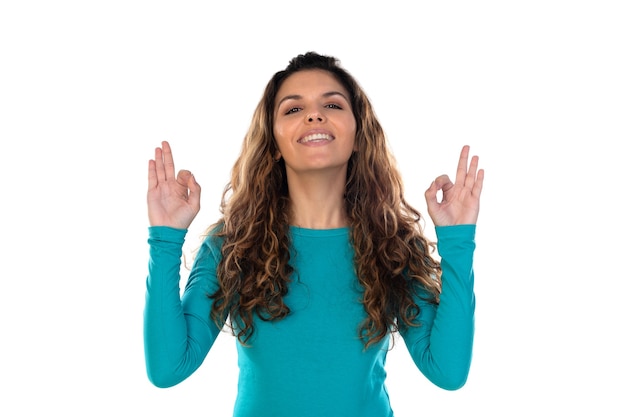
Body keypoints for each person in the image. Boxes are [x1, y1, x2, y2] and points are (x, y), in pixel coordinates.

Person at [144, 52, 484, 417]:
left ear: (358, 135)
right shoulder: (233, 245)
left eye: (332, 104)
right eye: (293, 109)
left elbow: (448, 372)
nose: (314, 115)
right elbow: (168, 369)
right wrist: (165, 238)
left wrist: (457, 240)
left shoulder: (393, 246)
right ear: (274, 144)